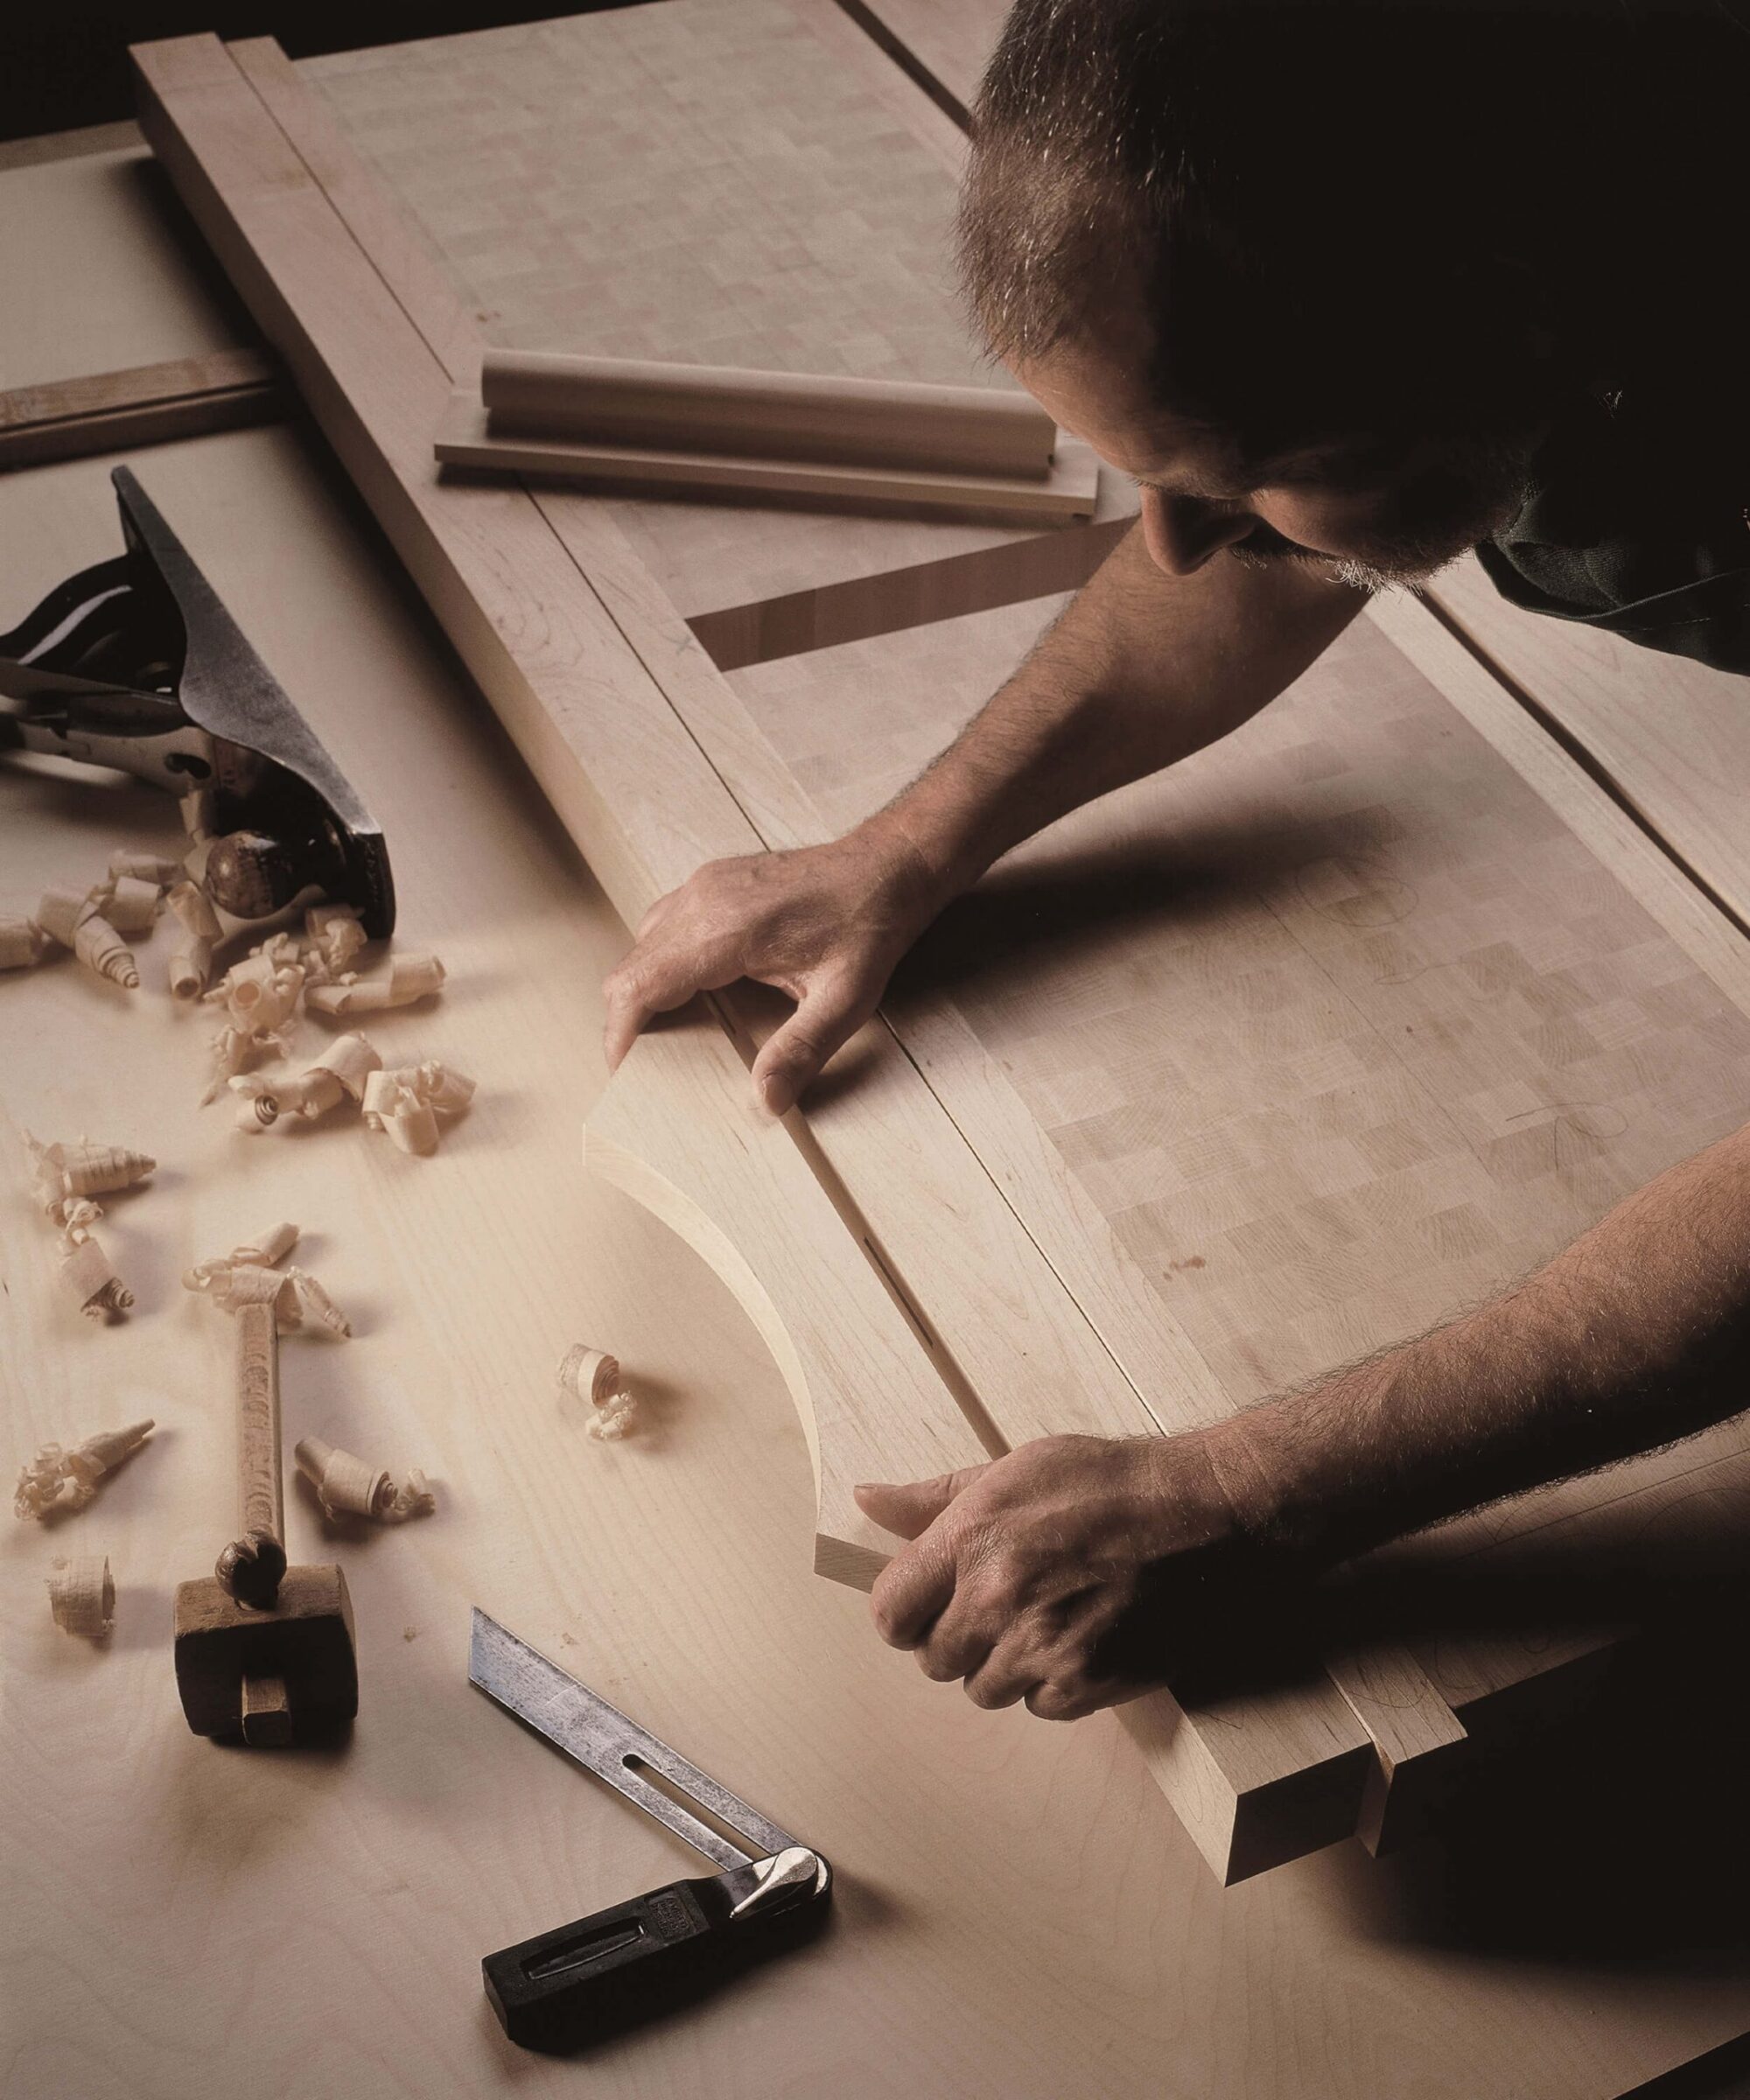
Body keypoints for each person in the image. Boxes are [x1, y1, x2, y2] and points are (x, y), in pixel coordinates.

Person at [602, 0, 1750, 1723]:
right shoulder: (1460, 216)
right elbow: (1261, 519)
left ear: (1527, 320)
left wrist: (1248, 1491)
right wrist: (908, 847)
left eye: (1264, 474)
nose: (1171, 541)